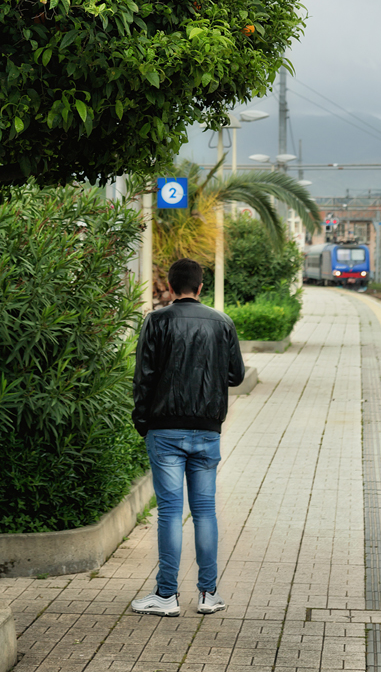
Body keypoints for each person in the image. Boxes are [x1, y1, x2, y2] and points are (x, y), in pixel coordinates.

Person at [131, 257, 245, 617]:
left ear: (169, 286)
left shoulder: (156, 320)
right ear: (200, 288)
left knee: (169, 512)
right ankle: (209, 594)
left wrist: (141, 420)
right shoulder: (222, 322)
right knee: (205, 511)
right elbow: (237, 375)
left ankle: (166, 596)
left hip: (164, 429)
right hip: (208, 429)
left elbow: (144, 376)